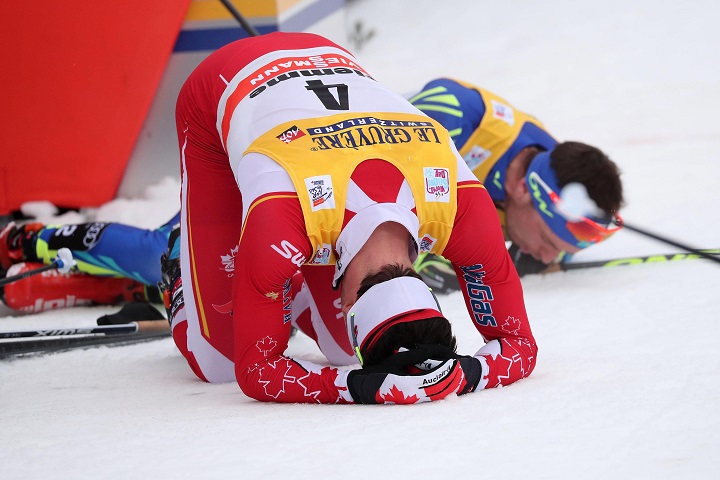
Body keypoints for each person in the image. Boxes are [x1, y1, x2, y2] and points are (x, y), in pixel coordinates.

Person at [157, 31, 536, 404]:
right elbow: (254, 373)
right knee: (220, 362)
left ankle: (275, 288)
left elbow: (523, 347)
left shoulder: (461, 212)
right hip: (225, 81)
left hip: (325, 64)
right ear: (348, 307)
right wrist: (358, 388)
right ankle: (192, 271)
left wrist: (467, 373)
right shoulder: (284, 223)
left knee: (341, 351)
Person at [0, 77, 623, 304]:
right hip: (286, 160)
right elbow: (373, 171)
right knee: (172, 255)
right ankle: (28, 240)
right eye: (547, 243)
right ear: (521, 188)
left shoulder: (548, 164)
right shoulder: (458, 115)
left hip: (322, 181)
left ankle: (117, 280)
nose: (549, 258)